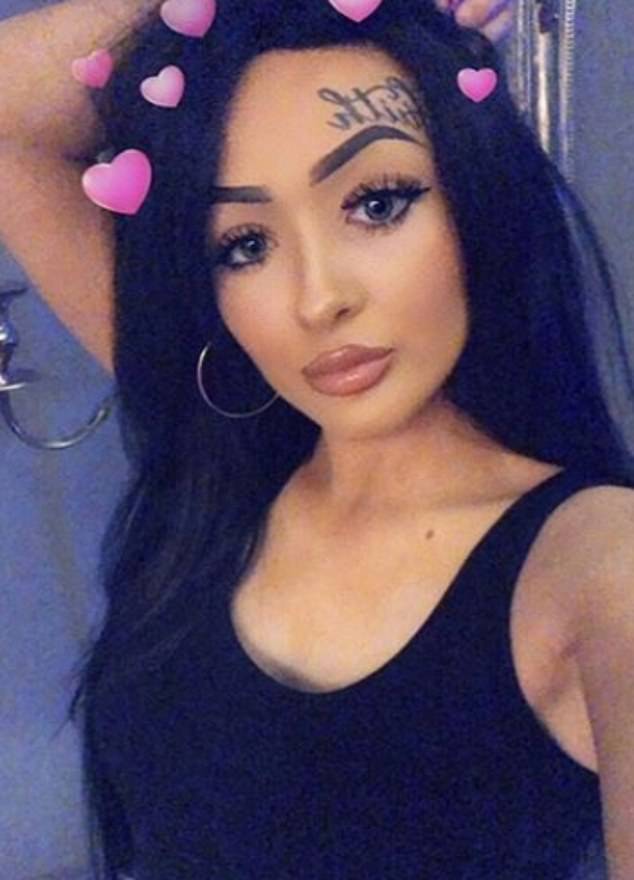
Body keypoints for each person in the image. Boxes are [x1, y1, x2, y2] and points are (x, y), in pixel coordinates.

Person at [1, 0, 634, 878]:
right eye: (244, 244)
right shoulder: (229, 448)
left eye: (376, 203)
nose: (317, 299)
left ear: (479, 200)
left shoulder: (595, 563)